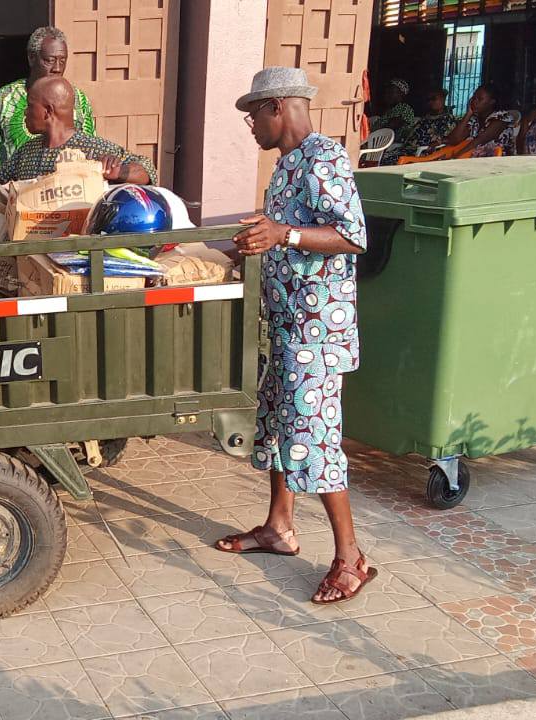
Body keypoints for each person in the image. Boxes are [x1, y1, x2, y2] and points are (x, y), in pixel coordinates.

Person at [218, 67, 375, 605]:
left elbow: (353, 237)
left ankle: (351, 557)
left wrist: (283, 233)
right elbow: (288, 237)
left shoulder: (325, 157)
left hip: (317, 330)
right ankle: (279, 528)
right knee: (281, 423)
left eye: (252, 115)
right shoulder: (287, 165)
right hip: (286, 324)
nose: (250, 127)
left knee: (316, 436)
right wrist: (254, 243)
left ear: (278, 107)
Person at [0, 76, 154, 192]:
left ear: (47, 111)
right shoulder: (27, 151)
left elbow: (147, 171)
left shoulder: (93, 149)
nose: (25, 113)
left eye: (29, 106)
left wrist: (120, 172)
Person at [0, 26, 95, 172]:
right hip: (13, 191)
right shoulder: (4, 99)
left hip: (63, 191)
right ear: (31, 58)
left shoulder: (78, 100)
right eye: (50, 60)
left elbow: (90, 151)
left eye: (62, 60)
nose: (57, 68)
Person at [441, 83, 517, 158]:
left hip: (499, 162)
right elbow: (454, 140)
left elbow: (479, 141)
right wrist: (468, 113)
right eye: (474, 98)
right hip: (475, 160)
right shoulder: (475, 119)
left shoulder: (502, 118)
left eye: (480, 99)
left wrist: (456, 157)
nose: (475, 101)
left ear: (492, 102)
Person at [381, 88, 455, 165]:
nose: (430, 102)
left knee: (386, 161)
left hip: (422, 153)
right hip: (406, 150)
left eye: (433, 98)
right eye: (428, 100)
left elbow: (447, 139)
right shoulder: (425, 118)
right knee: (378, 158)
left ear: (443, 99)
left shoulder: (447, 119)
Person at [369, 79, 416, 145]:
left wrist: (371, 135)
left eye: (391, 92)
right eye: (386, 92)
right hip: (377, 141)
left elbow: (391, 127)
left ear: (401, 94)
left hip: (392, 145)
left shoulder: (404, 108)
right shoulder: (390, 110)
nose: (387, 95)